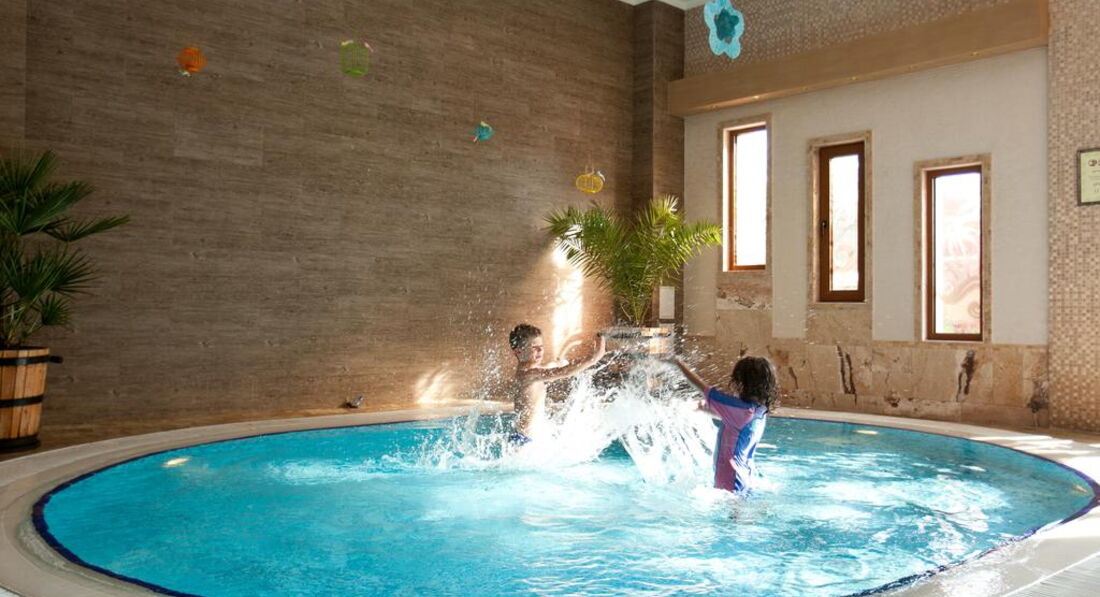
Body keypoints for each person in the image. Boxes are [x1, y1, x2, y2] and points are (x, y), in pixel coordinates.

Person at [668, 355, 777, 492]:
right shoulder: (759, 410)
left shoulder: (738, 409)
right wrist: (703, 409)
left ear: (741, 383)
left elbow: (702, 388)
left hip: (730, 480)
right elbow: (733, 421)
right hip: (743, 478)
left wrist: (677, 362)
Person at [508, 324, 606, 444]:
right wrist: (593, 358)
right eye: (534, 348)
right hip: (524, 443)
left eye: (541, 347)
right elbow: (564, 372)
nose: (540, 351)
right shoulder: (528, 374)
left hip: (526, 438)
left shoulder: (533, 370)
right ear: (518, 352)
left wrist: (561, 362)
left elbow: (555, 366)